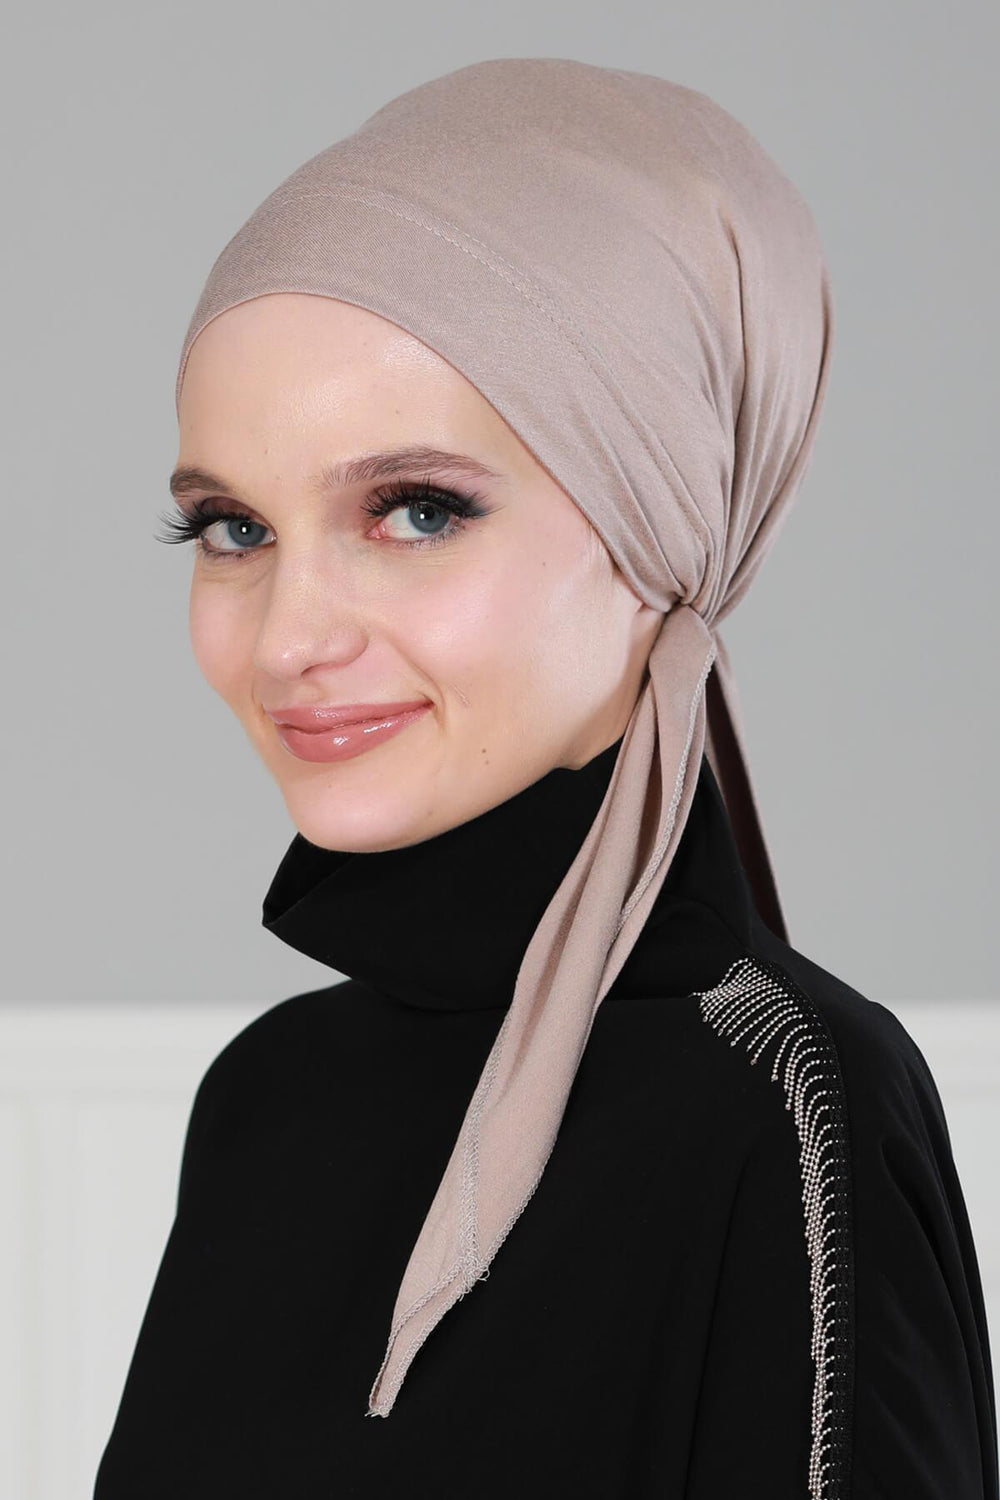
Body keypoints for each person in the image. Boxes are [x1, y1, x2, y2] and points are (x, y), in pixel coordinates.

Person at [94, 59, 998, 1498]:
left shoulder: (781, 1109)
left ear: (662, 531)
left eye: (415, 511)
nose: (287, 638)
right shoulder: (264, 1101)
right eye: (232, 529)